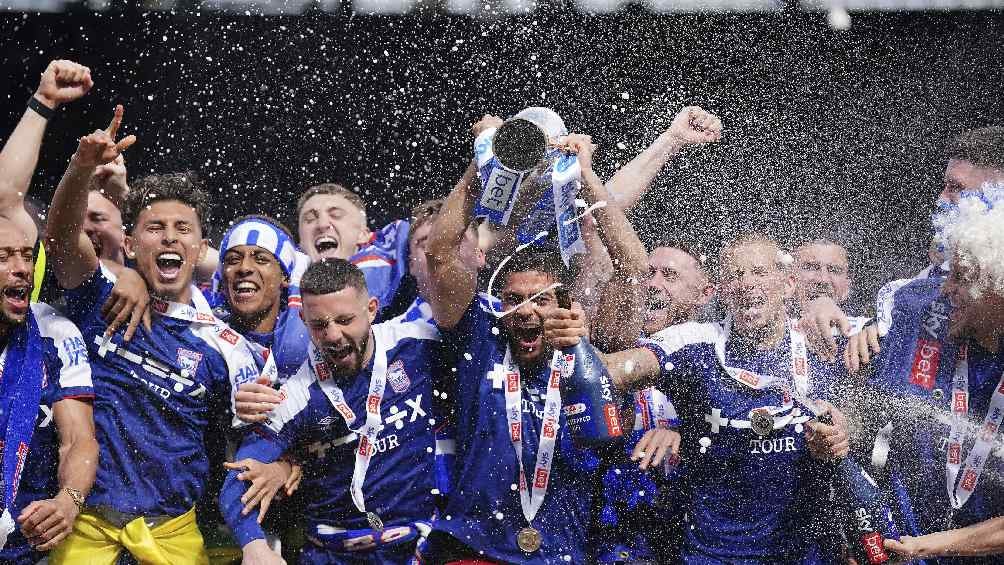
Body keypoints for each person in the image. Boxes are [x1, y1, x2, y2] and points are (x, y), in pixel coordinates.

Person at [418, 127, 650, 563]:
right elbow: (439, 253)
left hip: (560, 554)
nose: (525, 311)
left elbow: (634, 268)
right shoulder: (480, 338)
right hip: (474, 548)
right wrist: (481, 166)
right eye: (514, 299)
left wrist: (586, 177)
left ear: (563, 303)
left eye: (540, 300)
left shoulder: (586, 347)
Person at [43, 117, 264, 564]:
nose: (169, 237)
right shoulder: (100, 296)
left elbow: (257, 440)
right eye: (155, 227)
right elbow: (61, 238)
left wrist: (277, 460)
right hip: (85, 527)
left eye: (183, 228)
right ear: (129, 244)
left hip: (173, 536)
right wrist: (81, 167)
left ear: (200, 248)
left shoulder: (228, 347)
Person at [588, 234, 851, 563]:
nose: (746, 284)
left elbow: (863, 414)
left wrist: (842, 433)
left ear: (788, 285)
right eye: (736, 276)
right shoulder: (694, 341)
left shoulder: (822, 340)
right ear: (723, 292)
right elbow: (613, 371)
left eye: (758, 272)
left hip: (801, 555)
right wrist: (573, 341)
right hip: (710, 553)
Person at [222, 259, 444, 565]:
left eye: (344, 320)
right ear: (303, 319)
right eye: (319, 324)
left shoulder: (419, 343)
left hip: (416, 546)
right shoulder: (294, 394)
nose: (333, 335)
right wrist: (255, 547)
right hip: (332, 553)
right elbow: (237, 478)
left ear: (371, 309)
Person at [856, 193, 1004, 563]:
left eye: (962, 277)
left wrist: (930, 545)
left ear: (997, 288)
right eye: (950, 272)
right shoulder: (922, 313)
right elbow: (861, 412)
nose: (946, 288)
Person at [0, 215, 98, 565]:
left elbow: (79, 439)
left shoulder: (55, 333)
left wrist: (68, 500)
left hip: (27, 547)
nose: (21, 268)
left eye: (26, 256)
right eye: (3, 257)